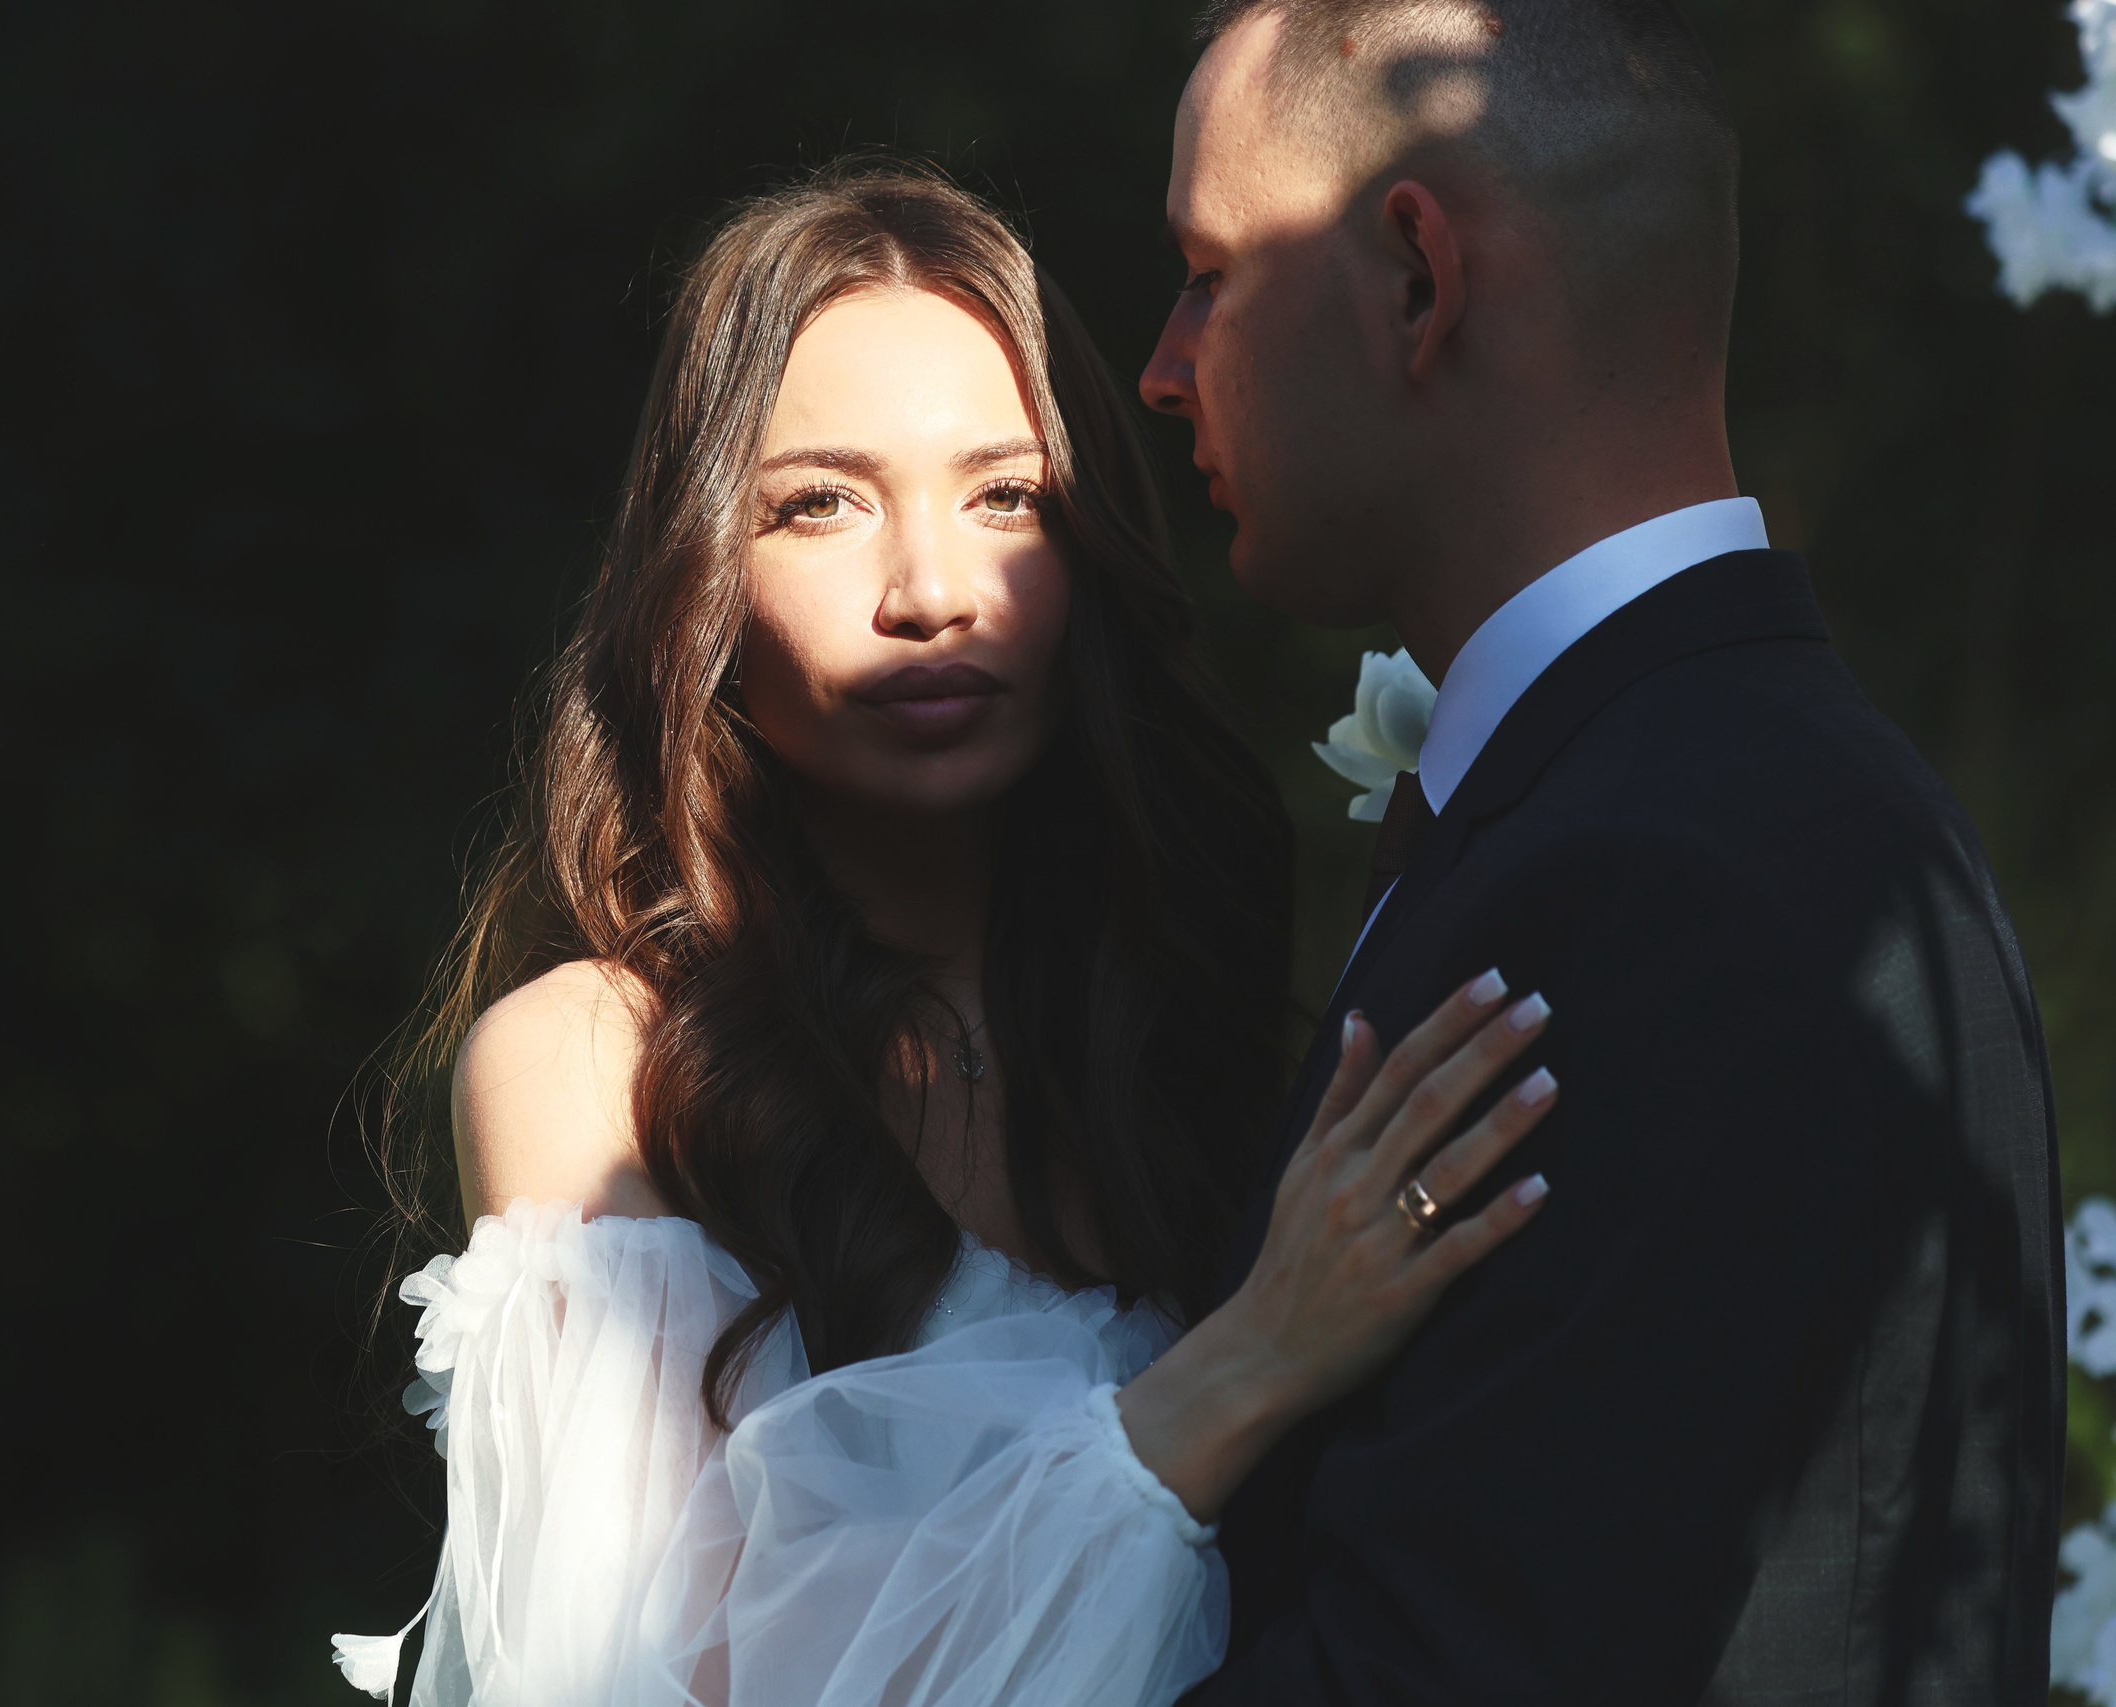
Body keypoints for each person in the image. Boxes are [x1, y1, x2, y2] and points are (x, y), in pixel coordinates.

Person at [332, 166, 1557, 1706]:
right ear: (703, 575)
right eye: (820, 504)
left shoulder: (1177, 1026)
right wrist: (1242, 1366)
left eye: (1006, 500)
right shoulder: (596, 1062)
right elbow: (659, 1677)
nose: (931, 594)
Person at [1137, 1, 2063, 1700]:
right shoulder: (1694, 805)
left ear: (1419, 280)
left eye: (1211, 272)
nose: (1165, 363)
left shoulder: (1679, 885)